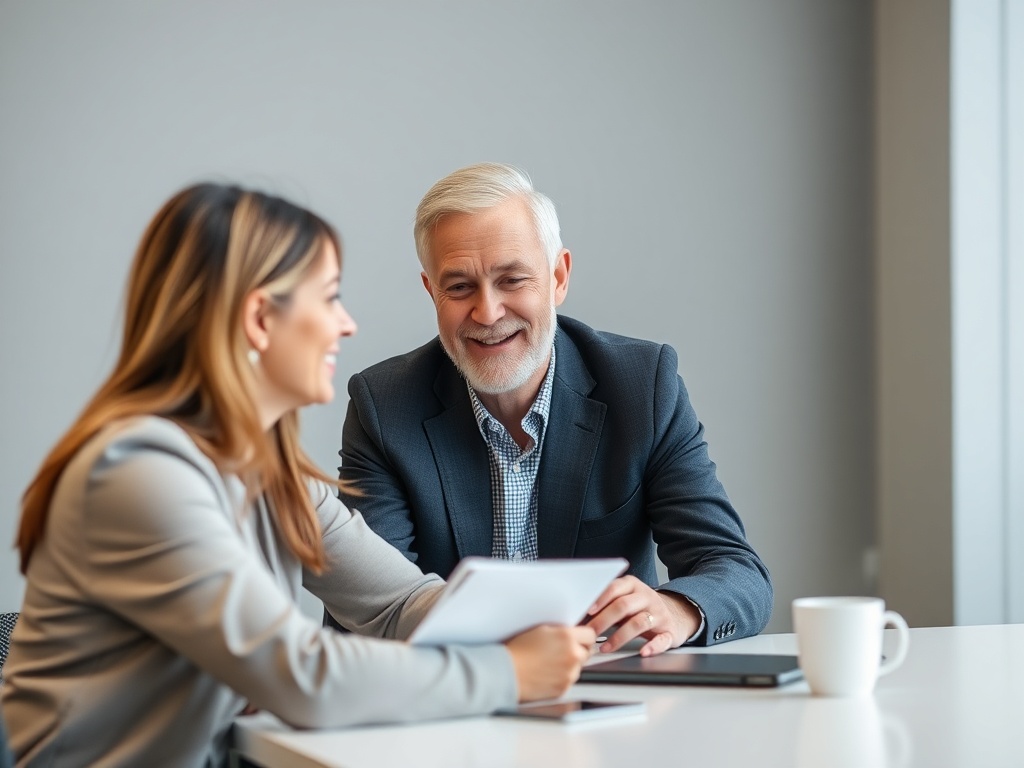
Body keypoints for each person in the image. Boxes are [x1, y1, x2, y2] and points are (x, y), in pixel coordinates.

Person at [0, 183, 594, 767]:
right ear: (261, 318)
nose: (346, 325)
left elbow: (398, 603)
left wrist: (548, 629)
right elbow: (304, 676)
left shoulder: (270, 474)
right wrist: (508, 672)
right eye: (329, 298)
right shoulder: (138, 474)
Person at [332, 162, 773, 656]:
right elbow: (364, 605)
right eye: (459, 287)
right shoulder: (385, 406)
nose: (487, 312)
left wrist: (677, 609)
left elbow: (736, 572)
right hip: (458, 689)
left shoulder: (642, 386)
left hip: (612, 686)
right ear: (431, 291)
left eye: (512, 279)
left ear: (558, 277)